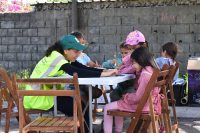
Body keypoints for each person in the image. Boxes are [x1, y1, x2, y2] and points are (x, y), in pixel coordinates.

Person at [23, 35, 118, 133]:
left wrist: (104, 71)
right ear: (66, 50)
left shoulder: (63, 57)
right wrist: (103, 74)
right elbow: (77, 72)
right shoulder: (57, 58)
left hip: (46, 95)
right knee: (78, 107)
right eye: (76, 51)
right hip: (37, 98)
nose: (78, 55)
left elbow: (82, 68)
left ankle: (86, 131)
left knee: (79, 106)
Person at [103, 46, 163, 133]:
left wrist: (127, 97)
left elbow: (137, 97)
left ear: (141, 59)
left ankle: (116, 131)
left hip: (143, 106)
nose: (133, 65)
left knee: (107, 107)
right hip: (150, 104)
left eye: (134, 62)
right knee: (118, 104)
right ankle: (118, 131)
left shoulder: (145, 75)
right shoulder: (151, 69)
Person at [155, 42, 179, 133]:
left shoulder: (160, 60)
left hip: (158, 89)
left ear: (164, 52)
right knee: (159, 102)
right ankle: (163, 126)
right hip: (167, 89)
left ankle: (155, 125)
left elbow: (150, 66)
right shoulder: (175, 63)